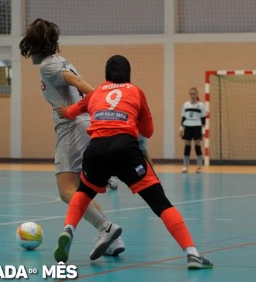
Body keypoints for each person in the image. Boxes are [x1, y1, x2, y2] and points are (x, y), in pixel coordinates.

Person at [54, 55, 213, 269]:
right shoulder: (136, 91)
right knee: (160, 203)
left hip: (96, 150)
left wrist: (65, 110)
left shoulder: (96, 92)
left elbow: (71, 112)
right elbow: (148, 131)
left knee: (83, 192)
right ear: (128, 74)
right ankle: (192, 254)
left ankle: (68, 230)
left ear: (106, 74)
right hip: (125, 149)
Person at [19, 18, 125, 259]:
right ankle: (113, 239)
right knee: (80, 191)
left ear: (34, 46)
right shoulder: (61, 61)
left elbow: (78, 83)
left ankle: (105, 228)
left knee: (66, 190)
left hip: (71, 127)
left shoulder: (48, 65)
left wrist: (105, 100)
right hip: (82, 125)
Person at [180, 87, 206, 173]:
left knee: (197, 146)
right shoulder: (186, 105)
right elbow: (183, 117)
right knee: (187, 146)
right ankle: (185, 166)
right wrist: (181, 128)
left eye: (194, 94)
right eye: (191, 94)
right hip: (187, 126)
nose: (192, 95)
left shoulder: (201, 105)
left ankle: (199, 167)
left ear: (197, 94)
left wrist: (203, 130)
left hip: (197, 126)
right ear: (189, 94)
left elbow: (203, 119)